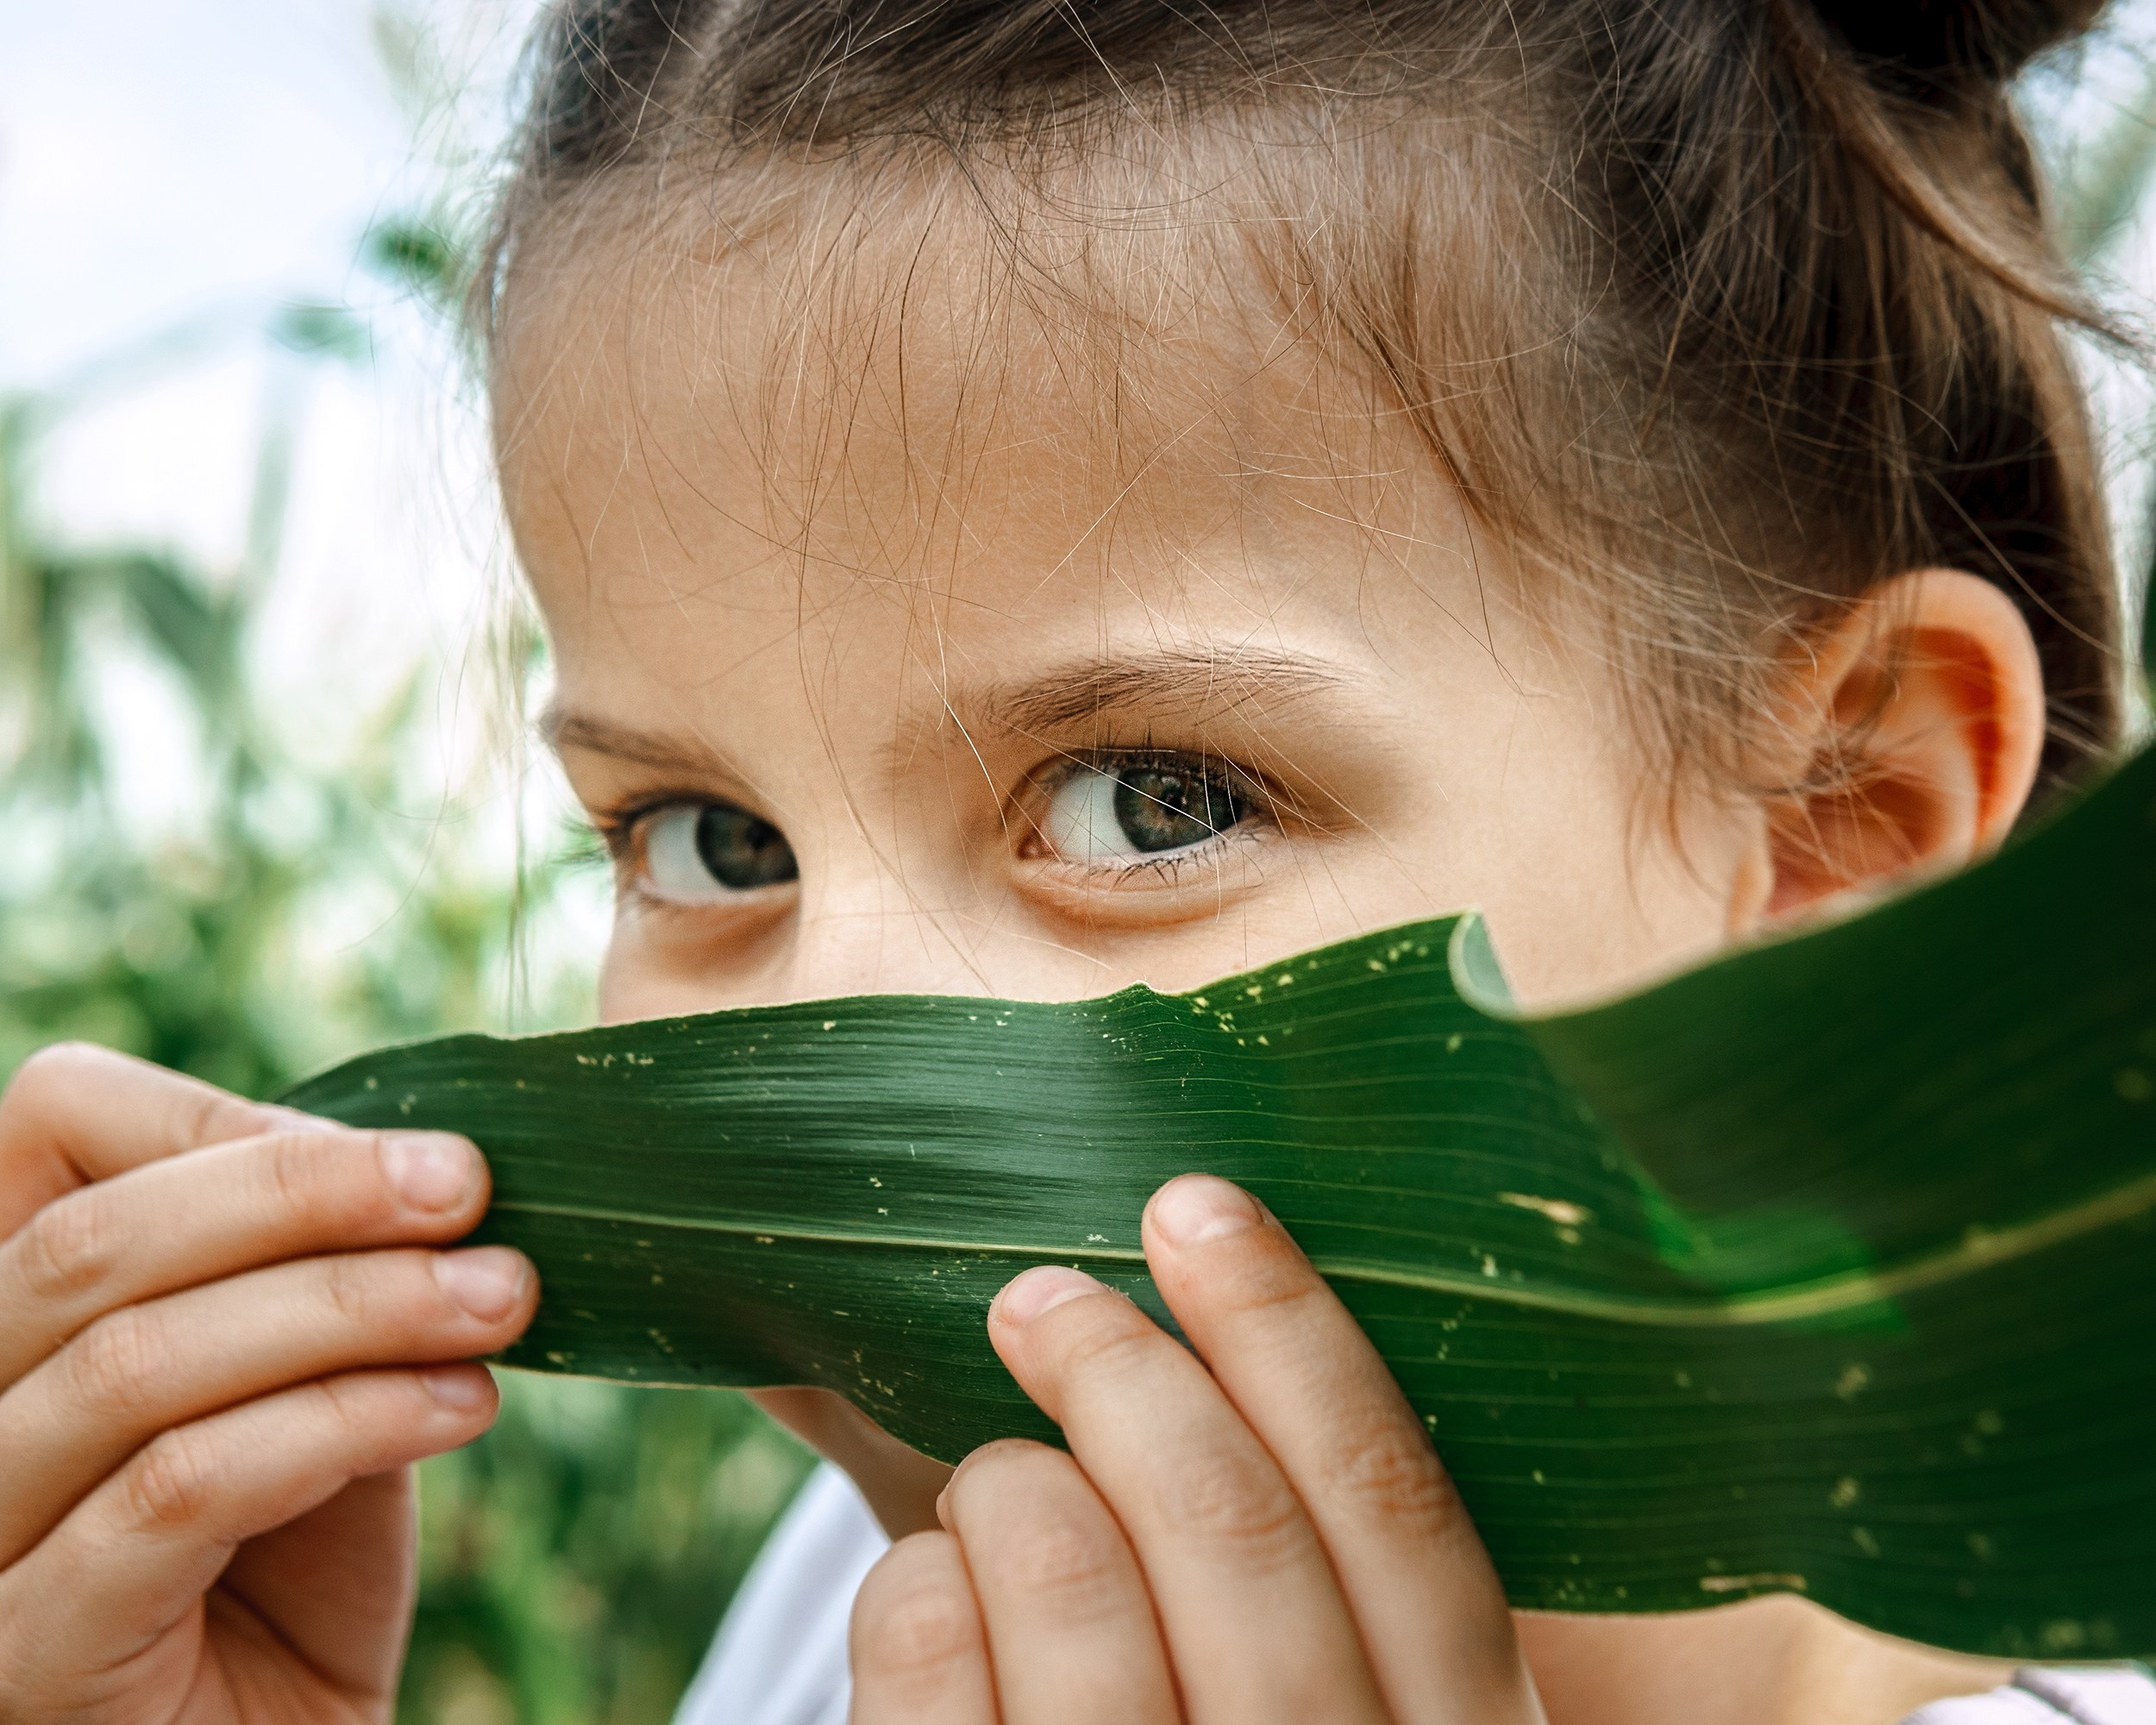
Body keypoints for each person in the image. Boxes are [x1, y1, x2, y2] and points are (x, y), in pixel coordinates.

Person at [2, 0, 2148, 1719]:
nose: (823, 1085)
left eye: (1152, 800)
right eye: (710, 840)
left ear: (1840, 827)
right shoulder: (860, 1595)